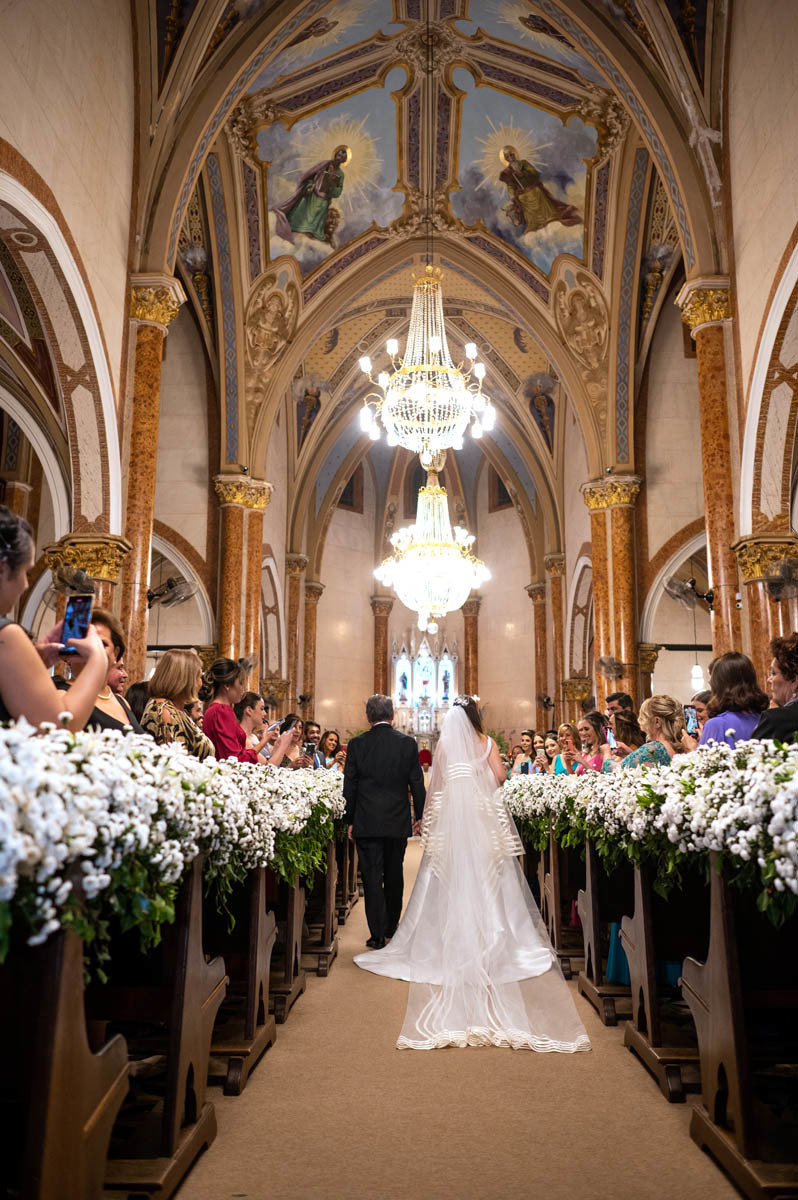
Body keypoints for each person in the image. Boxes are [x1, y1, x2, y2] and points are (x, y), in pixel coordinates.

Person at [354, 695, 590, 1054]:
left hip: (452, 819)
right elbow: (498, 777)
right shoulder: (488, 742)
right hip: (481, 818)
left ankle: (438, 942)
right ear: (476, 717)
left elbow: (437, 786)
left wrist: (427, 817)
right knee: (489, 878)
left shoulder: (447, 743)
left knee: (446, 879)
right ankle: (493, 945)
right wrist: (478, 785)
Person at [0, 505, 107, 730]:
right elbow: (58, 728)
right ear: (3, 568)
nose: (26, 585)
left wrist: (32, 663)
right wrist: (98, 660)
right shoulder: (6, 636)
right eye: (25, 572)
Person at [343, 694, 426, 950]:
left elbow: (351, 785)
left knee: (371, 876)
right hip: (396, 820)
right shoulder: (407, 744)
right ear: (392, 716)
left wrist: (349, 818)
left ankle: (376, 934)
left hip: (366, 820)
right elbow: (417, 782)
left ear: (368, 717)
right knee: (394, 873)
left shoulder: (357, 745)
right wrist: (420, 815)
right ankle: (392, 928)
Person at [57, 608, 143, 733]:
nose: (93, 649)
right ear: (69, 653)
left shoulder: (121, 701)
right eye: (85, 643)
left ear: (115, 653)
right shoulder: (61, 696)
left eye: (102, 644)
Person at [141, 649, 214, 758]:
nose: (201, 683)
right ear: (186, 680)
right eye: (198, 677)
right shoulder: (164, 711)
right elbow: (171, 763)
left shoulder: (175, 709)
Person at [691, 652, 769, 748]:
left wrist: (691, 747)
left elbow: (702, 762)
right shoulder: (767, 720)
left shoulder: (717, 725)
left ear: (718, 687)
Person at [200, 658, 269, 762]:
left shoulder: (214, 709)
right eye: (240, 683)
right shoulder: (222, 711)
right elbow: (235, 759)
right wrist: (263, 742)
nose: (243, 688)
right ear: (227, 685)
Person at [751, 634, 798, 742]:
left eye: (773, 673)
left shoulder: (775, 720)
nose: (768, 680)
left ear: (793, 678)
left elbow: (751, 757)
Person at [619, 695, 684, 768]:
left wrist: (606, 753)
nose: (641, 727)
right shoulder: (682, 745)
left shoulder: (655, 748)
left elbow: (616, 770)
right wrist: (632, 755)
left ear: (657, 722)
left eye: (644, 719)